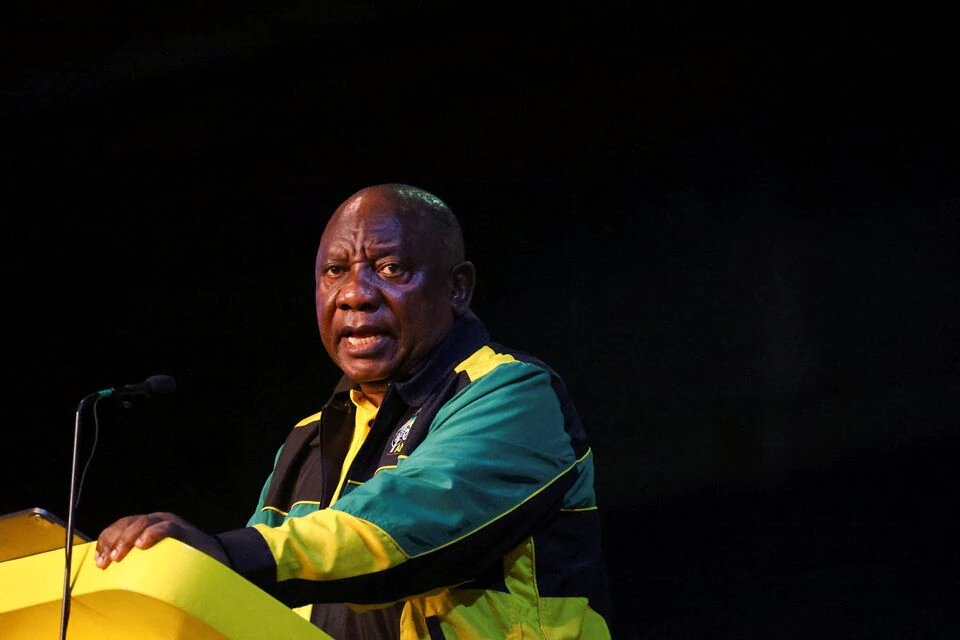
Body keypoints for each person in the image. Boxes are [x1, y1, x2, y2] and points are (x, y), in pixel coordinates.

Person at [95, 184, 613, 639]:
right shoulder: (309, 439)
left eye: (391, 269)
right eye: (335, 272)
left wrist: (227, 555)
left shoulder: (513, 392)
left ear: (457, 287)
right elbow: (262, 603)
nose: (355, 295)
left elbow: (403, 524)